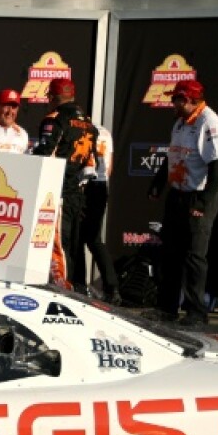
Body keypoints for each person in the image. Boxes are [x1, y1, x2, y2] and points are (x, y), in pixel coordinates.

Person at [147, 79, 218, 330]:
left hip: (201, 193)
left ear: (190, 100)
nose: (173, 103)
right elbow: (173, 155)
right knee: (170, 252)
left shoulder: (209, 122)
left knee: (194, 255)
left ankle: (196, 312)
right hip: (179, 191)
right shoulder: (181, 121)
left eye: (177, 99)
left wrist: (204, 202)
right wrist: (159, 182)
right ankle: (166, 309)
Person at [31, 78, 99, 294]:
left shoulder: (55, 119)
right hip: (76, 192)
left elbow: (45, 154)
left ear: (52, 97)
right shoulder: (89, 124)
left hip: (55, 191)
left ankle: (63, 290)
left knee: (58, 245)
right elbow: (91, 163)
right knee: (73, 244)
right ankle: (78, 288)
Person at [82, 124, 120, 303]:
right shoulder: (105, 131)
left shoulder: (72, 127)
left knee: (75, 238)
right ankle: (112, 289)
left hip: (81, 185)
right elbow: (109, 169)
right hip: (100, 186)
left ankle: (78, 286)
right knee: (94, 239)